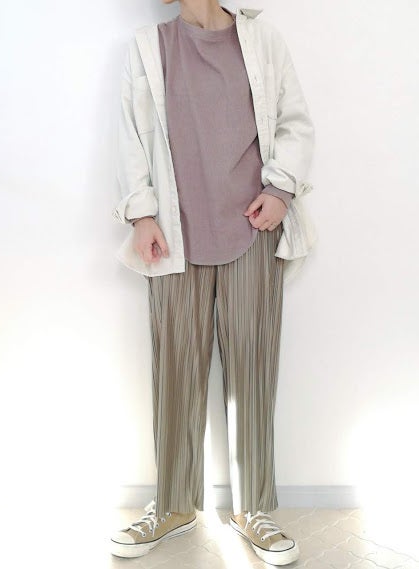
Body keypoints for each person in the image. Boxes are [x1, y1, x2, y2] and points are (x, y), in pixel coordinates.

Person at [110, 1, 316, 565]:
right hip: (173, 237)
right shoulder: (149, 45)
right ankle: (173, 505)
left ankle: (255, 509)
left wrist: (280, 190)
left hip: (253, 229)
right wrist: (141, 214)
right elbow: (130, 137)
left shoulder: (262, 40)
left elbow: (295, 122)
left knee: (252, 370)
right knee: (175, 370)